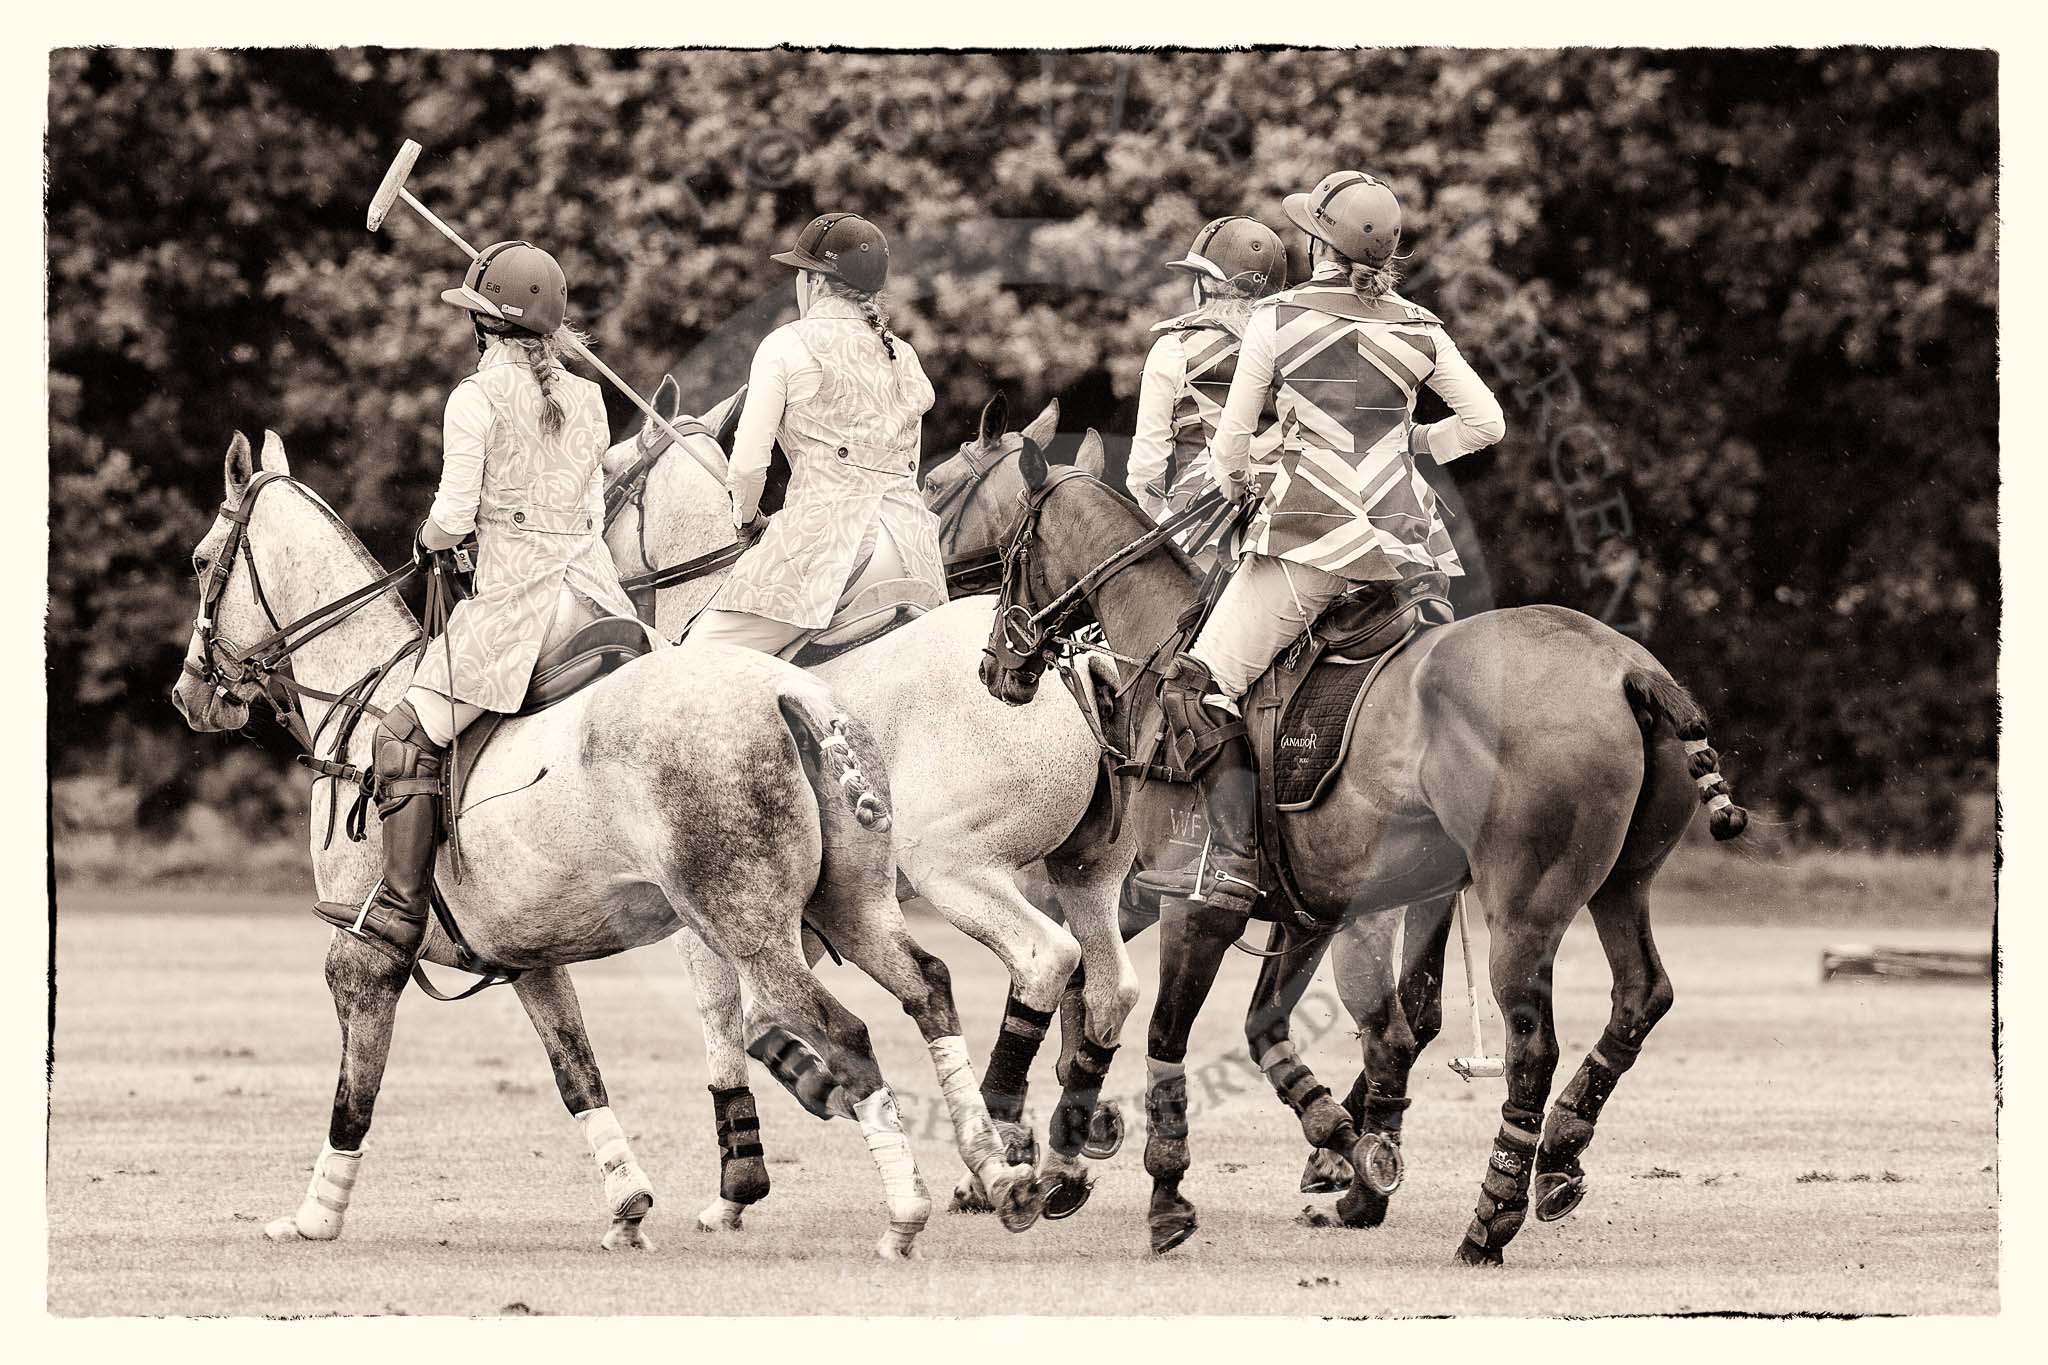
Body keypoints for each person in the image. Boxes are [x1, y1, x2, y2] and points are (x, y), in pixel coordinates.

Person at [1137, 172, 1507, 914]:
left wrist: (1240, 487)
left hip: (1308, 541)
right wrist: (1406, 439)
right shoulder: (1421, 327)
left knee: (1196, 686)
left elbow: (1233, 444)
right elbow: (1487, 425)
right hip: (1411, 554)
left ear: (1317, 241)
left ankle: (1237, 858)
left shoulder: (1278, 318)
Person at [315, 240, 649, 966]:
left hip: (518, 609)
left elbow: (453, 513)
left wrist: (431, 540)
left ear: (484, 326)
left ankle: (400, 914)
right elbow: (590, 512)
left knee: (401, 734)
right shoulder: (589, 397)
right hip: (598, 599)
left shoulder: (475, 398)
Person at [685, 213, 946, 656]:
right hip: (913, 555)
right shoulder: (905, 356)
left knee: (691, 665)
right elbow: (907, 466)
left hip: (826, 554)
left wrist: (747, 520)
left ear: (815, 281)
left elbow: (748, 465)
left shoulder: (786, 344)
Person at [1125, 216, 1288, 551]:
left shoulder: (1174, 346)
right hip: (1290, 522)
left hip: (1202, 527)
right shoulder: (1296, 344)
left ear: (1207, 282)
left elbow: (1147, 469)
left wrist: (1164, 522)